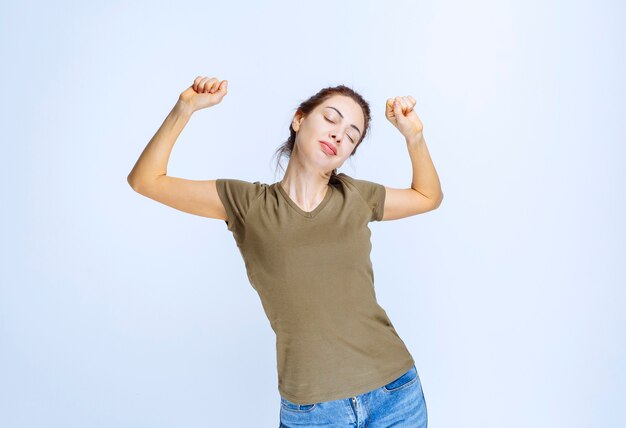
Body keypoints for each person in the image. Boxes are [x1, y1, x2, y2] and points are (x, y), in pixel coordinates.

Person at [128, 75, 443, 427]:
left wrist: (413, 136)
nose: (340, 133)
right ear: (299, 119)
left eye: (352, 135)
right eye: (331, 118)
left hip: (395, 393)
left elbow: (428, 196)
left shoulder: (356, 197)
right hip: (313, 410)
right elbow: (146, 180)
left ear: (348, 153)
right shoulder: (245, 203)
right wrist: (184, 109)